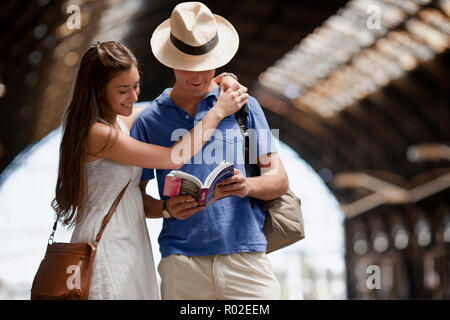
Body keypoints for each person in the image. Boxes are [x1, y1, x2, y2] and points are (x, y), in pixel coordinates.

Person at [51, 40, 248, 299]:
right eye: (124, 90)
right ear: (99, 91)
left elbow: (167, 108)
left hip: (130, 241)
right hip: (106, 247)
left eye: (136, 86)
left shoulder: (120, 121)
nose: (134, 96)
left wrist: (220, 80)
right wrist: (218, 111)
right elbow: (173, 157)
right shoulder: (97, 133)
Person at [131, 2, 289, 299]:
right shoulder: (150, 121)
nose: (198, 76)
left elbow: (280, 181)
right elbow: (133, 197)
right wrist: (165, 208)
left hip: (246, 258)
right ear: (171, 60)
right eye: (188, 67)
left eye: (206, 66)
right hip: (182, 262)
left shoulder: (244, 108)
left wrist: (248, 185)